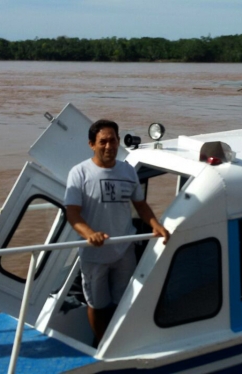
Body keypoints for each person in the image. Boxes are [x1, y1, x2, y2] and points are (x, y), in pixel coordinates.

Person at [65, 119, 170, 345]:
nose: (108, 146)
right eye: (102, 141)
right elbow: (72, 214)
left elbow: (141, 206)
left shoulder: (127, 171)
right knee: (97, 304)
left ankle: (120, 341)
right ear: (92, 144)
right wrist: (89, 234)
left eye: (112, 140)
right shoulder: (79, 173)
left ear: (118, 141)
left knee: (124, 301)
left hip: (124, 251)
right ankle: (102, 344)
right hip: (94, 255)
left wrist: (156, 224)